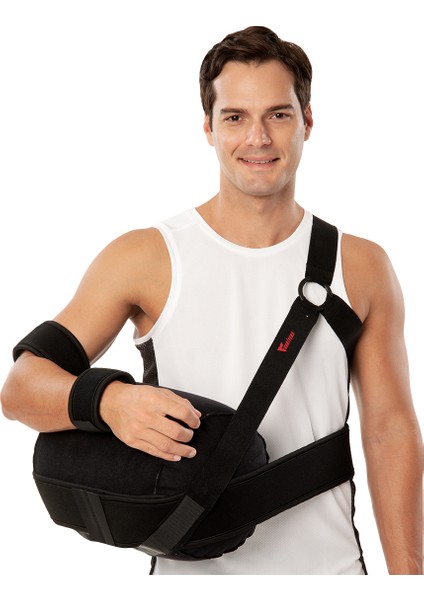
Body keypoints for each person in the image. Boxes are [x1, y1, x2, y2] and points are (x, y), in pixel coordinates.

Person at [1, 25, 422, 575]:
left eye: (278, 114)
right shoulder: (146, 257)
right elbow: (21, 388)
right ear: (208, 127)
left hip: (332, 574)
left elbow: (389, 430)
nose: (258, 138)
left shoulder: (361, 266)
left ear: (307, 121)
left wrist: (410, 580)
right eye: (235, 117)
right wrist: (109, 402)